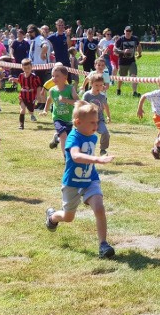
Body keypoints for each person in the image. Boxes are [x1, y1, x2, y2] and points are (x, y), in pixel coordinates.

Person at [45, 102, 116, 259]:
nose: (95, 125)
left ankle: (103, 245)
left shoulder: (92, 137)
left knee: (99, 208)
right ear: (78, 122)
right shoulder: (73, 137)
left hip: (90, 180)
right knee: (68, 217)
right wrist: (97, 159)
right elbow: (76, 156)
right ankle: (52, 217)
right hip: (72, 183)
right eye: (92, 122)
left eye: (97, 122)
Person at [42, 65, 78, 156]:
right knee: (63, 136)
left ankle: (56, 138)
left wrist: (66, 100)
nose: (54, 78)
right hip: (58, 118)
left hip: (69, 119)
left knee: (67, 138)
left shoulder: (70, 89)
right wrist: (45, 110)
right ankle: (66, 157)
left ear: (65, 77)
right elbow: (49, 100)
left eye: (57, 76)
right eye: (53, 76)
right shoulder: (52, 90)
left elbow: (78, 102)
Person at [82, 72, 111, 156]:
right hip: (88, 120)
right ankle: (86, 150)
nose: (99, 87)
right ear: (91, 84)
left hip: (99, 120)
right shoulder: (87, 95)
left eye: (101, 85)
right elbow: (82, 106)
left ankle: (103, 149)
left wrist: (108, 116)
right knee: (88, 136)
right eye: (96, 85)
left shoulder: (102, 96)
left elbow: (106, 106)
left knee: (105, 133)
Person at [10, 58, 41, 130]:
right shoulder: (21, 75)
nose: (27, 70)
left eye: (28, 68)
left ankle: (32, 114)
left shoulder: (34, 77)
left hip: (31, 97)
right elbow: (19, 81)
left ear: (31, 67)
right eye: (25, 68)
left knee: (31, 109)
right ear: (22, 68)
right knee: (22, 110)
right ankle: (21, 125)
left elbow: (39, 86)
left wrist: (38, 95)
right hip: (22, 96)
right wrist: (13, 79)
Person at [114, 26, 142, 97]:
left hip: (132, 61)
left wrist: (139, 54)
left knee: (134, 75)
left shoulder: (135, 39)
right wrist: (123, 51)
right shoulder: (120, 39)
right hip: (122, 61)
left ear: (132, 32)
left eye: (130, 31)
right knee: (121, 77)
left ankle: (135, 92)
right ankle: (118, 89)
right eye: (127, 31)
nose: (128, 33)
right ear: (124, 31)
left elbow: (139, 46)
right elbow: (115, 50)